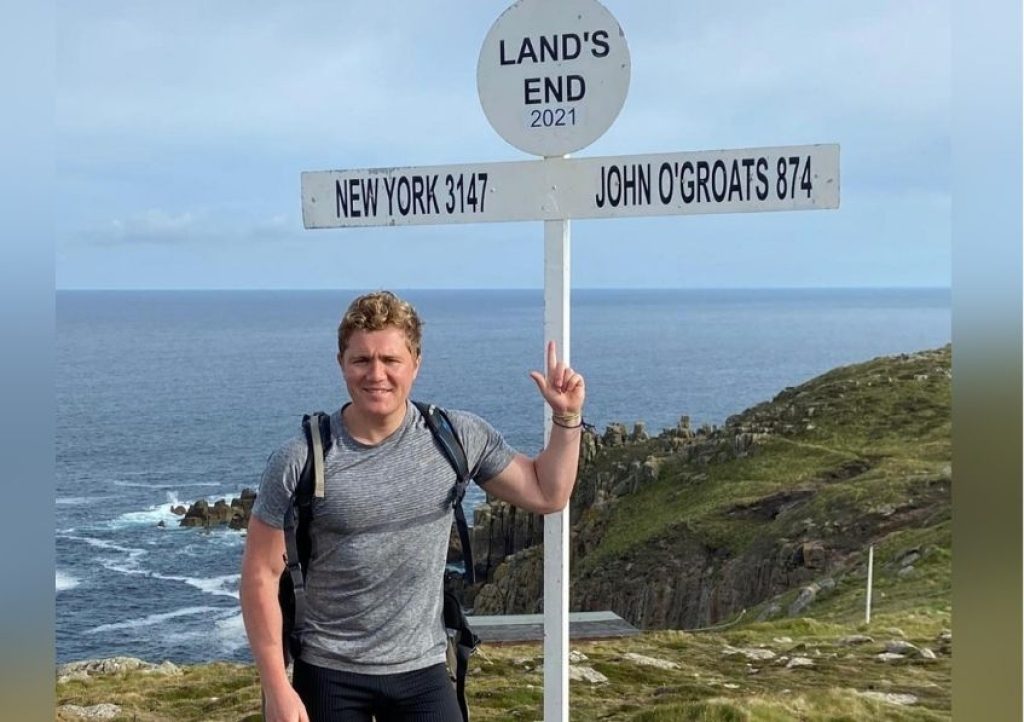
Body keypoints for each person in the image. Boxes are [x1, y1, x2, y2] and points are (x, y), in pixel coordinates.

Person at [240, 290, 585, 722]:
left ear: (416, 363)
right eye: (361, 360)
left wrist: (567, 419)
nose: (376, 374)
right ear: (341, 363)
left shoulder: (455, 437)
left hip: (422, 670)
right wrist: (276, 689)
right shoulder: (301, 458)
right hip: (329, 672)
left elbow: (546, 492)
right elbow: (259, 576)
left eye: (391, 360)